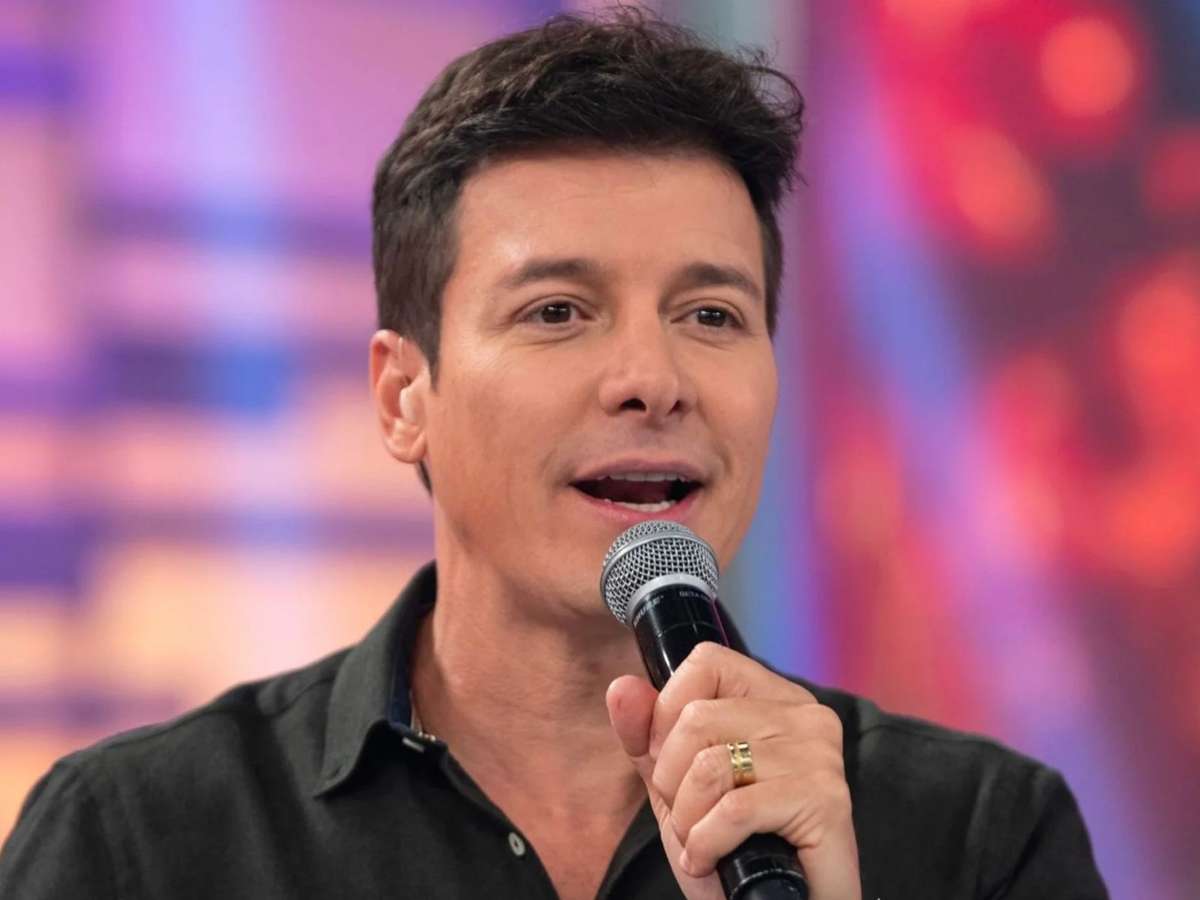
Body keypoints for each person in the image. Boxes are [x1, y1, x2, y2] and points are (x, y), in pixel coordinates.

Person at [0, 9, 1108, 900]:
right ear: (403, 395)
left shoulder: (979, 835)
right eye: (559, 312)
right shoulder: (140, 838)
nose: (652, 378)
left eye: (712, 315)